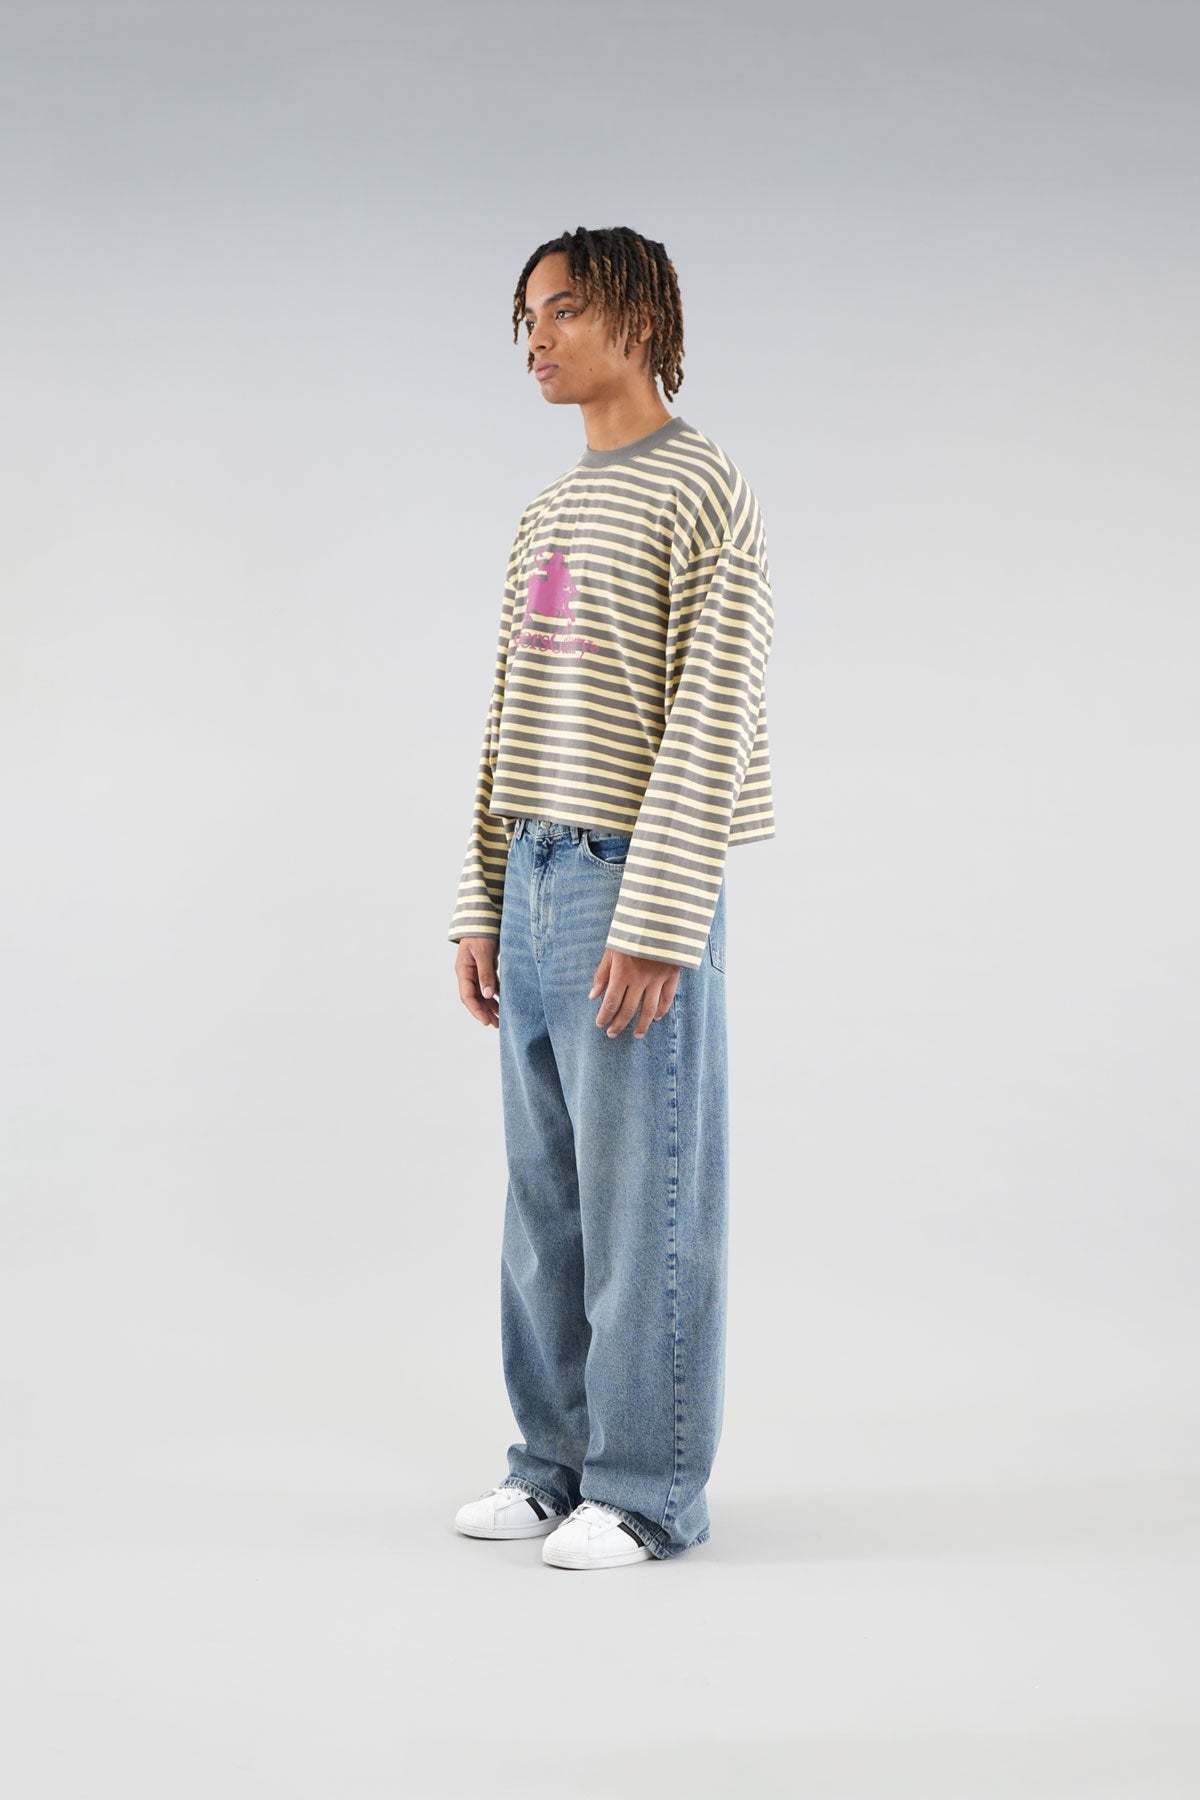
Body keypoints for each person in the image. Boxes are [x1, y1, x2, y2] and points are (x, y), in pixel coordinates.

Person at [447, 225, 775, 1570]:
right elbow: (508, 716)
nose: (539, 337)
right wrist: (478, 899)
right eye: (527, 316)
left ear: (641, 319)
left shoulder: (704, 488)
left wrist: (658, 915)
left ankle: (645, 1490)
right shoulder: (545, 513)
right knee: (546, 1201)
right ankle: (554, 1464)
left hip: (625, 880)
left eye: (566, 309)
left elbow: (714, 712)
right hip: (535, 870)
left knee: (649, 1198)